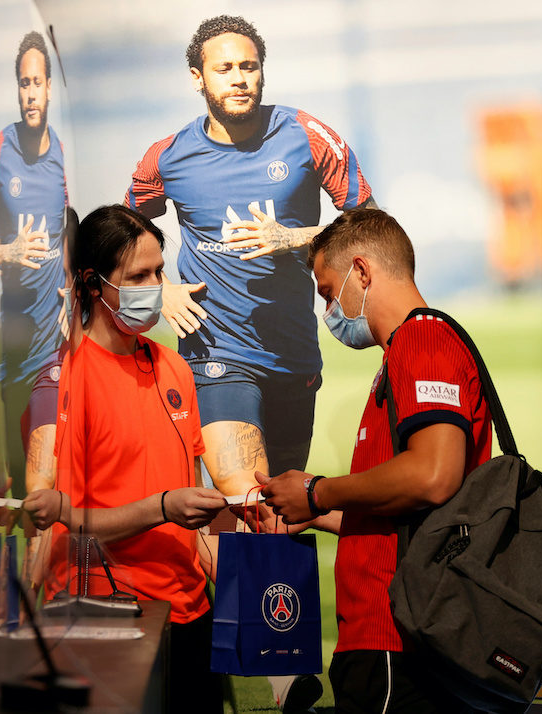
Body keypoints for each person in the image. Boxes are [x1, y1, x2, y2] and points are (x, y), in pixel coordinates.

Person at [126, 15, 374, 709]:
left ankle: (245, 644)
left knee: (281, 505)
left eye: (249, 67)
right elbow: (124, 239)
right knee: (246, 494)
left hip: (293, 353)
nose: (239, 79)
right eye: (225, 68)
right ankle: (285, 677)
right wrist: (160, 291)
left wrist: (294, 236)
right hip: (213, 354)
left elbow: (370, 224)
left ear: (262, 71)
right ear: (198, 77)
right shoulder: (166, 157)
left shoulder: (307, 137)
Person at [257, 208, 492, 713]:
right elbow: (407, 514)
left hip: (399, 641)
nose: (328, 312)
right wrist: (309, 511)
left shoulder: (424, 340)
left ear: (362, 272)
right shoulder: (401, 353)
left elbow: (433, 476)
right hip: (381, 639)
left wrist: (317, 489)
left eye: (327, 291)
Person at [22, 204, 228, 713]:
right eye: (139, 276)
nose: (157, 285)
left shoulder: (175, 369)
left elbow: (195, 508)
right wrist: (163, 507)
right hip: (107, 620)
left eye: (159, 271)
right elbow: (65, 520)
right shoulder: (64, 381)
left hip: (191, 615)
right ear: (93, 285)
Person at [0, 30, 68, 497]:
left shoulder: (62, 151)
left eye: (37, 82)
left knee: (42, 489)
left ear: (50, 87)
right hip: (2, 355)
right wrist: (5, 248)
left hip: (48, 354)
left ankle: (44, 571)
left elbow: (68, 232)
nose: (30, 93)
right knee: (6, 497)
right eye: (23, 83)